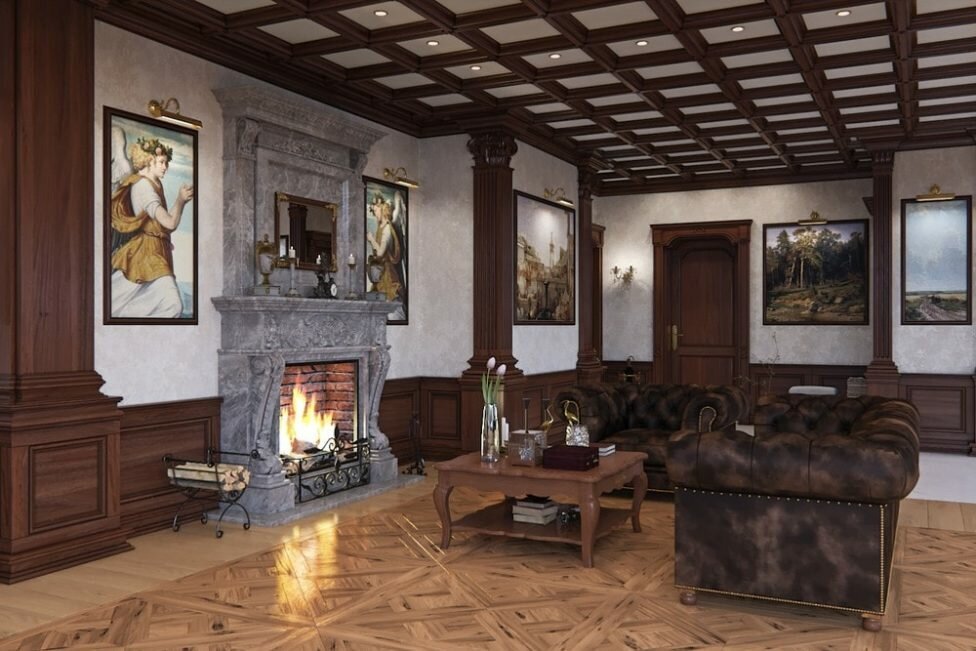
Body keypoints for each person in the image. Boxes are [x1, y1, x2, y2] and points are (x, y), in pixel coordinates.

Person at [109, 136, 194, 318]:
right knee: (172, 305)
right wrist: (180, 201)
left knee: (124, 301)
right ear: (149, 161)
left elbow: (166, 225)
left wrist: (181, 202)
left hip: (156, 250)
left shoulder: (154, 184)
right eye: (161, 162)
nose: (165, 167)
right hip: (146, 252)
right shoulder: (143, 187)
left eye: (167, 163)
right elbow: (170, 222)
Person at [366, 194, 404, 304]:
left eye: (375, 210)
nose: (375, 214)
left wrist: (371, 240)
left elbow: (380, 253)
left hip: (387, 274)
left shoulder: (387, 229)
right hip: (380, 273)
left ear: (382, 209)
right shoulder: (380, 227)